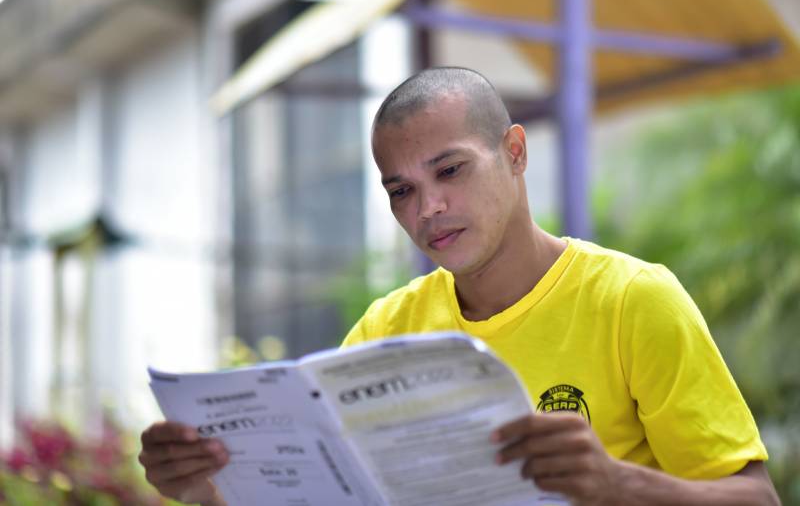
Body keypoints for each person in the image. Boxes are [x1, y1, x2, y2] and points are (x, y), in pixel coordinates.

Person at [138, 67, 779, 506]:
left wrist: (616, 485)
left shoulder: (631, 299)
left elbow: (758, 499)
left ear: (516, 152)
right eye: (402, 191)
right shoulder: (385, 330)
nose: (429, 208)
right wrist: (209, 489)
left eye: (450, 169)